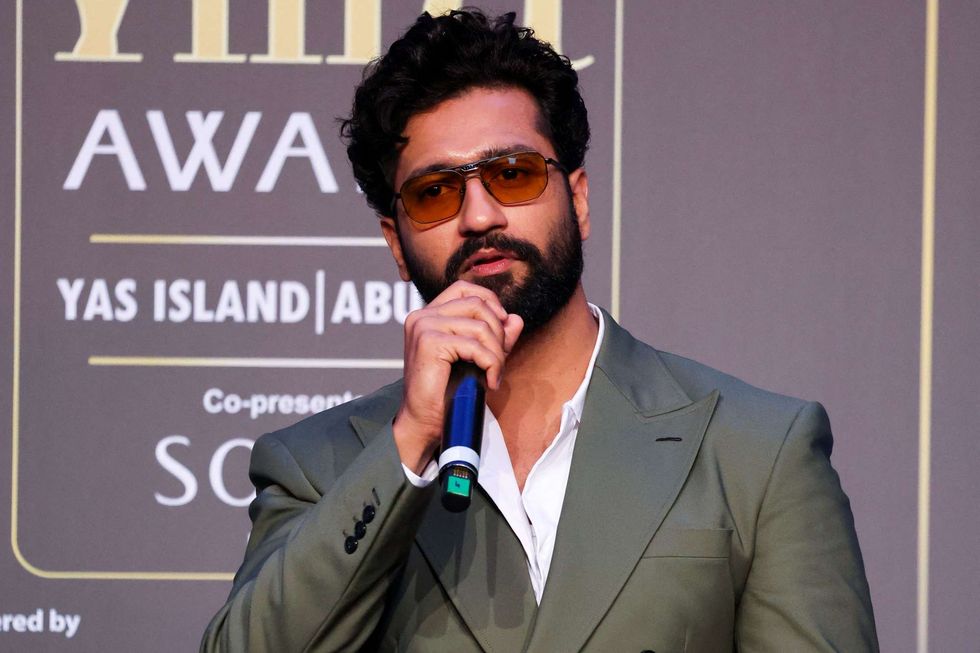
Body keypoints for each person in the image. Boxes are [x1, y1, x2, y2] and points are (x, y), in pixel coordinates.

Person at [201, 9, 877, 652]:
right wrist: (409, 443)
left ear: (577, 200)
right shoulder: (318, 467)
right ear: (396, 243)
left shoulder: (757, 452)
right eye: (435, 192)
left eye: (512, 174)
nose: (479, 216)